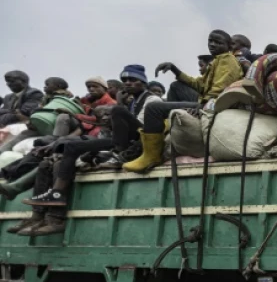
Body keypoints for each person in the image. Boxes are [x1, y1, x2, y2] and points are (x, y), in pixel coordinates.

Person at [18, 65, 157, 227]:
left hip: (138, 142)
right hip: (120, 140)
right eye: (125, 80)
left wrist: (119, 105)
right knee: (71, 147)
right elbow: (112, 122)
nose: (128, 83)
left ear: (143, 82)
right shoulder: (133, 101)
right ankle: (57, 194)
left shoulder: (151, 99)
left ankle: (117, 153)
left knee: (117, 111)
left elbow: (143, 127)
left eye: (133, 80)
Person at [120, 30, 241, 173]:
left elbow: (221, 87)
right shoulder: (217, 61)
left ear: (229, 46)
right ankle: (156, 139)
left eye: (218, 42)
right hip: (207, 101)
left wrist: (203, 105)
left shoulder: (228, 60)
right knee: (172, 93)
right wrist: (175, 70)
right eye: (210, 41)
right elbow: (199, 84)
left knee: (153, 109)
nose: (212, 44)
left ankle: (151, 156)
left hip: (214, 104)